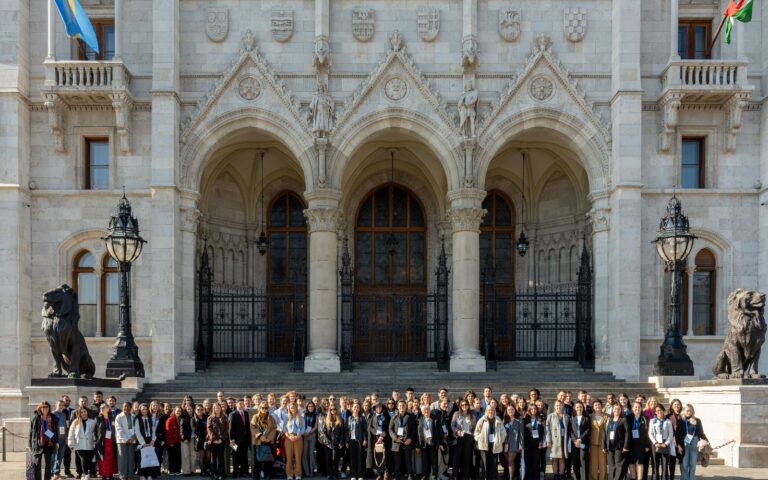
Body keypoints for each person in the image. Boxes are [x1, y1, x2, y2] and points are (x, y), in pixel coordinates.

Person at [474, 405, 506, 480]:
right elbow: (476, 432)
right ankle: (485, 477)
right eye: (489, 410)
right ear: (486, 411)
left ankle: (493, 477)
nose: (490, 412)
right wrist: (479, 439)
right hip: (484, 445)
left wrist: (500, 440)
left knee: (494, 463)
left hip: (495, 445)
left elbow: (503, 432)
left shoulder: (498, 420)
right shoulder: (482, 420)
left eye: (492, 410)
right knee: (484, 463)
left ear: (494, 411)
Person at [675, 404, 706, 480]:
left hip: (694, 444)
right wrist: (678, 445)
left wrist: (706, 441)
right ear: (684, 411)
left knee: (693, 464)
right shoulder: (681, 420)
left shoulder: (697, 421)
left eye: (691, 410)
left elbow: (701, 433)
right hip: (684, 444)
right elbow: (678, 434)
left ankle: (692, 478)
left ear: (693, 411)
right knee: (684, 464)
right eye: (687, 410)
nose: (689, 412)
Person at [30, 401, 60, 480]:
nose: (45, 408)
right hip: (38, 443)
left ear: (49, 408)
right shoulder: (35, 417)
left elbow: (56, 431)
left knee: (48, 464)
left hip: (49, 443)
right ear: (40, 408)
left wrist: (56, 441)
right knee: (37, 464)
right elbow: (31, 432)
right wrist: (30, 444)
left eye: (46, 407)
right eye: (43, 407)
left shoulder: (53, 417)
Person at [389, 400, 416, 480]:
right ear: (397, 407)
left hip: (407, 441)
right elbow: (390, 429)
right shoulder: (394, 417)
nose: (401, 407)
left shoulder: (411, 416)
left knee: (408, 459)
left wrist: (410, 439)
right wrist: (395, 438)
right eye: (400, 405)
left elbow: (414, 429)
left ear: (406, 406)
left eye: (403, 405)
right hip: (397, 442)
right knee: (397, 461)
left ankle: (410, 475)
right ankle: (396, 476)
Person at [68, 406, 97, 480]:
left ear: (87, 412)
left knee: (89, 460)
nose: (83, 413)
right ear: (79, 413)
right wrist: (71, 443)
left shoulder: (92, 421)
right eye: (81, 412)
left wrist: (95, 443)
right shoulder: (75, 421)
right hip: (79, 444)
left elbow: (95, 433)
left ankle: (87, 474)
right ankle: (86, 474)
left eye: (85, 411)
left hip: (90, 444)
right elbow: (71, 433)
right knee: (83, 459)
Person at [252, 400, 278, 480]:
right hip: (258, 441)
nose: (264, 409)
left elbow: (274, 428)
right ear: (259, 408)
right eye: (262, 408)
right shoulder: (255, 417)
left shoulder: (271, 418)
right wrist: (260, 436)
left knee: (268, 459)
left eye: (266, 408)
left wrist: (268, 439)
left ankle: (267, 475)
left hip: (268, 441)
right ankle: (256, 475)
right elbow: (253, 427)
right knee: (258, 459)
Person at [602, 402, 629, 480]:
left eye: (618, 409)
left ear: (621, 410)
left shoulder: (623, 420)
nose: (616, 410)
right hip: (609, 446)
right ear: (612, 410)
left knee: (619, 464)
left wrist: (625, 446)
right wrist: (604, 446)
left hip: (619, 446)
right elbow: (604, 432)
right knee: (611, 465)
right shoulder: (609, 420)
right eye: (615, 408)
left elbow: (627, 433)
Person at [450, 399, 476, 480]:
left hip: (469, 437)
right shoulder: (456, 414)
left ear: (468, 406)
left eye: (466, 404)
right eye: (462, 405)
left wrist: (474, 437)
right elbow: (452, 425)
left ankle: (465, 476)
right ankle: (455, 476)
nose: (464, 406)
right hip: (459, 437)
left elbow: (475, 428)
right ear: (460, 406)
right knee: (457, 458)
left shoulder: (472, 415)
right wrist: (456, 431)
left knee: (467, 458)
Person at [135, 403, 161, 480]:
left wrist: (153, 439)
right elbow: (137, 432)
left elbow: (153, 430)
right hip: (141, 441)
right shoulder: (137, 418)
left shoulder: (150, 417)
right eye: (142, 409)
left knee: (150, 457)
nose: (144, 411)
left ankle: (149, 474)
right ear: (140, 410)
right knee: (142, 458)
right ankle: (142, 475)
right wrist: (143, 443)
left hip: (150, 440)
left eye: (146, 409)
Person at [546, 399, 570, 480]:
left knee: (562, 458)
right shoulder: (550, 416)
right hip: (554, 440)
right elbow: (547, 429)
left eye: (560, 405)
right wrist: (548, 440)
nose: (558, 407)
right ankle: (555, 475)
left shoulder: (566, 416)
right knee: (554, 458)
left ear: (562, 406)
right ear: (554, 406)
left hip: (564, 440)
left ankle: (562, 475)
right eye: (556, 405)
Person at [649, 404, 674, 480]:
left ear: (664, 411)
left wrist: (666, 443)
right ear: (655, 412)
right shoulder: (652, 421)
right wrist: (655, 443)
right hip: (655, 444)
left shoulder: (668, 421)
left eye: (660, 410)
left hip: (664, 444)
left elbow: (671, 434)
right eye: (657, 411)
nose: (659, 412)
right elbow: (650, 433)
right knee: (655, 465)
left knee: (665, 466)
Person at [627, 401, 651, 480]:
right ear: (632, 408)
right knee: (631, 462)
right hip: (630, 444)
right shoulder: (628, 418)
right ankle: (633, 477)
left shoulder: (645, 418)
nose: (637, 409)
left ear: (641, 408)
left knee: (640, 462)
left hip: (641, 444)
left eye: (639, 407)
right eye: (635, 407)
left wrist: (647, 445)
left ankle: (639, 478)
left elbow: (648, 433)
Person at [416, 404, 441, 480]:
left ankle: (434, 475)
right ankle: (424, 475)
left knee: (434, 462)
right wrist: (418, 445)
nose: (426, 411)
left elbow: (440, 432)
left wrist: (440, 443)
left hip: (433, 444)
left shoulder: (435, 419)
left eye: (427, 409)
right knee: (425, 461)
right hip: (424, 444)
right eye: (424, 410)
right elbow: (419, 433)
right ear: (422, 412)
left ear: (430, 410)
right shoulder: (420, 419)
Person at [229, 397, 252, 477]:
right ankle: (235, 472)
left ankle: (244, 471)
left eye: (243, 404)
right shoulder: (233, 414)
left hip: (245, 440)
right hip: (236, 440)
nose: (242, 405)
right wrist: (232, 440)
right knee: (235, 456)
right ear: (236, 404)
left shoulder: (245, 413)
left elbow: (247, 426)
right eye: (240, 403)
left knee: (244, 456)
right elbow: (231, 428)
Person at [321, 404, 345, 480]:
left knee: (336, 459)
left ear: (337, 410)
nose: (333, 411)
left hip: (337, 443)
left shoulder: (341, 419)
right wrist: (327, 443)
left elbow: (343, 432)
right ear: (329, 411)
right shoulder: (326, 419)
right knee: (328, 459)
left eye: (334, 409)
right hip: (328, 443)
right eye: (331, 409)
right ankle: (329, 474)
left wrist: (341, 442)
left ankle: (335, 474)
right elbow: (323, 432)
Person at [368, 401, 390, 480]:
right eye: (376, 407)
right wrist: (377, 434)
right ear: (374, 408)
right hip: (376, 440)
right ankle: (379, 473)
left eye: (380, 407)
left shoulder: (386, 416)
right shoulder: (372, 416)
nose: (378, 408)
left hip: (385, 439)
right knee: (378, 456)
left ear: (382, 408)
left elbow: (389, 427)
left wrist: (383, 435)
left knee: (385, 456)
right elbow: (370, 427)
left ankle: (386, 473)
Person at [95, 404, 118, 479]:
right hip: (102, 441)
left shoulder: (112, 418)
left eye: (104, 407)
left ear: (108, 408)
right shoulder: (98, 418)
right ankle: (104, 475)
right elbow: (95, 430)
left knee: (111, 458)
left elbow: (115, 428)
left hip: (111, 441)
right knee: (103, 459)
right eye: (101, 408)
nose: (102, 408)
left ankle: (110, 474)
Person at [570, 401, 592, 480]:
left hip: (583, 443)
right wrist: (575, 440)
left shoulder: (587, 418)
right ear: (575, 408)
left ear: (583, 408)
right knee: (575, 462)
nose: (579, 408)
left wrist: (580, 439)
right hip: (575, 443)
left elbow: (588, 430)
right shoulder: (572, 418)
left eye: (580, 407)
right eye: (577, 407)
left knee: (584, 461)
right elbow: (571, 431)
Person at [345, 402, 367, 480]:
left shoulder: (362, 418)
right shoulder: (349, 419)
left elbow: (365, 430)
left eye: (357, 407)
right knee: (352, 458)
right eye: (354, 407)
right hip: (351, 440)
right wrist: (346, 441)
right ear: (352, 408)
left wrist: (365, 439)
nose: (356, 408)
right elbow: (346, 431)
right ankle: (353, 475)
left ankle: (360, 475)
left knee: (360, 458)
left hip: (359, 440)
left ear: (359, 409)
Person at [208, 402, 230, 480]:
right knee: (213, 458)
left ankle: (221, 474)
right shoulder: (210, 417)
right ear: (213, 409)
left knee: (221, 458)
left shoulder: (224, 417)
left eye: (218, 408)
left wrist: (221, 439)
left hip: (221, 441)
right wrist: (214, 439)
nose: (217, 409)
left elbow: (227, 430)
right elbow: (209, 429)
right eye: (215, 408)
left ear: (221, 408)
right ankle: (213, 474)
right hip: (213, 441)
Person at [115, 402, 136, 479]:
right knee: (122, 458)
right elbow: (118, 429)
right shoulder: (119, 417)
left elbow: (136, 428)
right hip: (122, 441)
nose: (126, 408)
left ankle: (130, 475)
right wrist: (126, 439)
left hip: (132, 440)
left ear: (131, 408)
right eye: (124, 407)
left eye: (127, 406)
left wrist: (133, 437)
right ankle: (123, 475)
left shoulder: (133, 416)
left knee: (131, 458)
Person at [523, 404, 545, 480]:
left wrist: (541, 441)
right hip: (528, 444)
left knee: (536, 462)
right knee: (528, 461)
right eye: (531, 409)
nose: (533, 410)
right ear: (529, 410)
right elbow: (524, 432)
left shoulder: (540, 418)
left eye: (535, 409)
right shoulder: (526, 419)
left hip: (537, 444)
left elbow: (542, 432)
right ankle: (529, 477)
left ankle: (536, 477)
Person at [285, 402, 306, 480]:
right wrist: (288, 436)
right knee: (289, 457)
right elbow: (284, 429)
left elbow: (303, 429)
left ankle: (298, 474)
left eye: (294, 407)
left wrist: (298, 436)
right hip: (288, 438)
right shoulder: (286, 417)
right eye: (291, 408)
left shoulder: (301, 417)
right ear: (289, 409)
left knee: (298, 457)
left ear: (296, 408)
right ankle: (289, 474)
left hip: (298, 438)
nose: (293, 409)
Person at [501, 405, 523, 480]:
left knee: (510, 461)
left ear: (514, 411)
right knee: (507, 462)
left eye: (512, 409)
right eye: (509, 410)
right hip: (505, 444)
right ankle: (512, 474)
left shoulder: (519, 421)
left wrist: (520, 446)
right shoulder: (504, 420)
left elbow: (521, 435)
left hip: (514, 444)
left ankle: (511, 477)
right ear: (506, 411)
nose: (510, 411)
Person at [589, 400, 608, 480]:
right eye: (595, 405)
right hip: (593, 442)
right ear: (593, 407)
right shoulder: (590, 416)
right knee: (593, 462)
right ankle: (593, 478)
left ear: (601, 405)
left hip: (603, 442)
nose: (597, 406)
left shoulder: (607, 416)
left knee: (603, 462)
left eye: (599, 404)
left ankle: (603, 478)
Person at [665, 399, 683, 480]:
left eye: (678, 404)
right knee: (671, 463)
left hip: (682, 443)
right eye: (675, 404)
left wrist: (679, 444)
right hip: (672, 442)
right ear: (672, 406)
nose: (676, 406)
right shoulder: (668, 416)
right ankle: (671, 478)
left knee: (682, 463)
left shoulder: (683, 416)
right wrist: (676, 443)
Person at [51, 400, 69, 480]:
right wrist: (53, 439)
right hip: (55, 439)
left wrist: (66, 437)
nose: (61, 406)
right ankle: (50, 473)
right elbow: (49, 428)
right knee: (53, 456)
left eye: (62, 405)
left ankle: (56, 473)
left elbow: (65, 426)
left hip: (63, 438)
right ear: (56, 405)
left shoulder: (64, 415)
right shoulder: (52, 414)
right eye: (59, 405)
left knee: (60, 456)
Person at [303, 400, 319, 478]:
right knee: (305, 453)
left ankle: (311, 471)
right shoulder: (305, 414)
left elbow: (315, 426)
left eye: (312, 406)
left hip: (312, 434)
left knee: (311, 453)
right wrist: (305, 432)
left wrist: (309, 432)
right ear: (307, 407)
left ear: (314, 407)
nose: (310, 408)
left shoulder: (316, 415)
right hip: (305, 435)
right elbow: (302, 424)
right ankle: (306, 472)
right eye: (309, 406)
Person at [179, 403, 195, 475]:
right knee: (185, 455)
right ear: (185, 410)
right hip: (185, 439)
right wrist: (184, 438)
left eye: (190, 409)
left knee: (193, 455)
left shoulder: (195, 417)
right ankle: (186, 471)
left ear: (193, 410)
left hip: (193, 438)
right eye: (188, 409)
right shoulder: (183, 418)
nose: (189, 410)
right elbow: (181, 429)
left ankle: (192, 470)